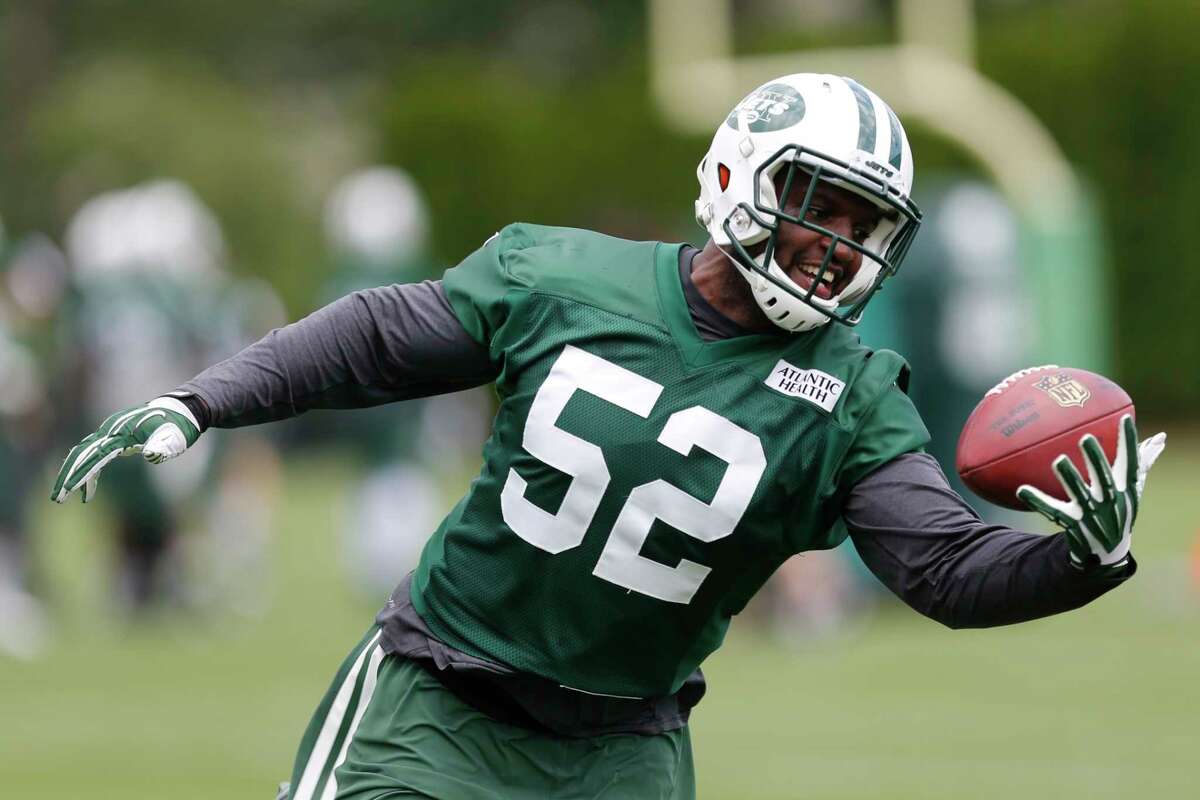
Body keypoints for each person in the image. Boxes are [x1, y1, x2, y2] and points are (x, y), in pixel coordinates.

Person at [50, 73, 1165, 800]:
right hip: (437, 702)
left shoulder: (855, 391)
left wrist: (1082, 557)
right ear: (736, 175)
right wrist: (203, 401)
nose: (836, 246)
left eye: (863, 225)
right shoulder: (567, 276)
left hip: (623, 751)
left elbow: (945, 566)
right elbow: (381, 334)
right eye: (818, 203)